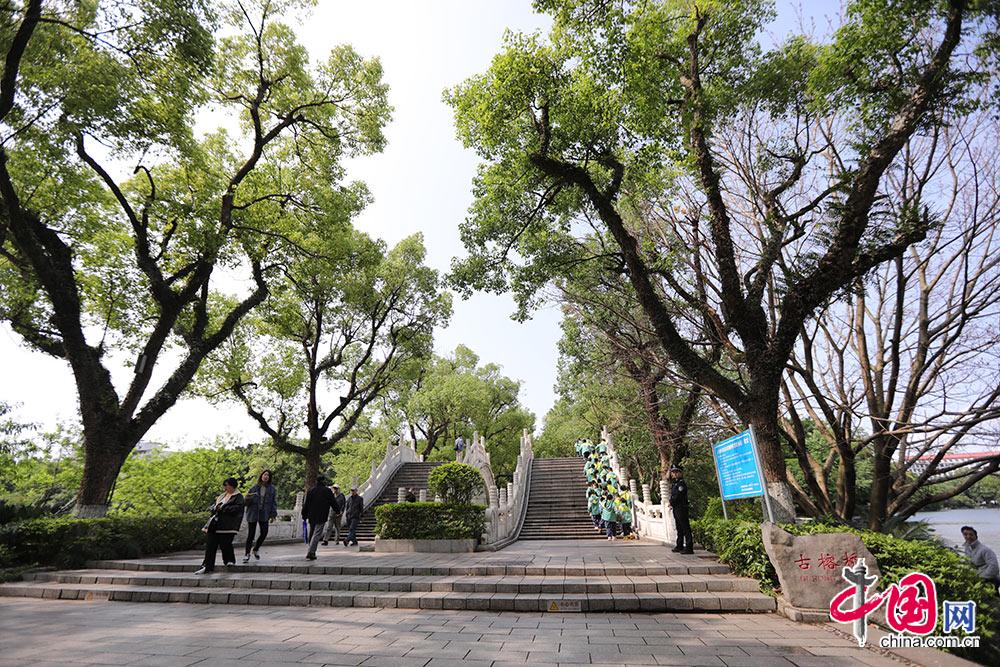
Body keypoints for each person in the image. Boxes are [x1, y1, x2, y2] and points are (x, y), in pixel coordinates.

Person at [195, 477, 244, 574]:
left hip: (228, 526)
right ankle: (207, 566)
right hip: (215, 524)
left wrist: (223, 508)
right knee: (210, 545)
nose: (225, 487)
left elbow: (237, 509)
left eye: (227, 485)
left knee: (225, 544)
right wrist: (215, 508)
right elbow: (214, 507)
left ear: (232, 486)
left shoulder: (238, 497)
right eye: (224, 485)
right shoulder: (222, 496)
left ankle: (229, 560)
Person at [242, 470, 278, 563]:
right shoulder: (254, 487)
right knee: (251, 535)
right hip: (253, 512)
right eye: (264, 474)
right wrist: (248, 498)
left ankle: (256, 549)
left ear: (269, 478)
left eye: (268, 475)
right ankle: (247, 554)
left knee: (264, 532)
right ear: (261, 476)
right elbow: (246, 502)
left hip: (264, 513)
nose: (266, 476)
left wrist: (273, 514)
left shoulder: (272, 489)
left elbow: (274, 503)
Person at [302, 475, 336, 560]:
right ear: (323, 481)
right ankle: (311, 552)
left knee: (312, 532)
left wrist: (304, 515)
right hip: (321, 515)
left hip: (311, 515)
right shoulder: (327, 491)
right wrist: (338, 510)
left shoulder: (311, 490)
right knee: (317, 534)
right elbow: (333, 502)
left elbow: (306, 504)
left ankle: (311, 550)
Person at [961, 526, 999, 592]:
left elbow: (994, 567)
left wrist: (981, 578)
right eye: (965, 534)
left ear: (976, 536)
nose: (968, 536)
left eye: (971, 534)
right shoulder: (967, 548)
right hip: (977, 579)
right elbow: (968, 563)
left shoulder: (984, 550)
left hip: (990, 580)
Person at [669, 465, 694, 554]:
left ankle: (689, 547)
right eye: (673, 472)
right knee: (679, 527)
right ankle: (679, 545)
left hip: (681, 507)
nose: (674, 474)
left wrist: (671, 502)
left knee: (685, 527)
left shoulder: (681, 484)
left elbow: (678, 496)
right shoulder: (675, 483)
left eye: (676, 472)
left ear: (680, 473)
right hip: (676, 508)